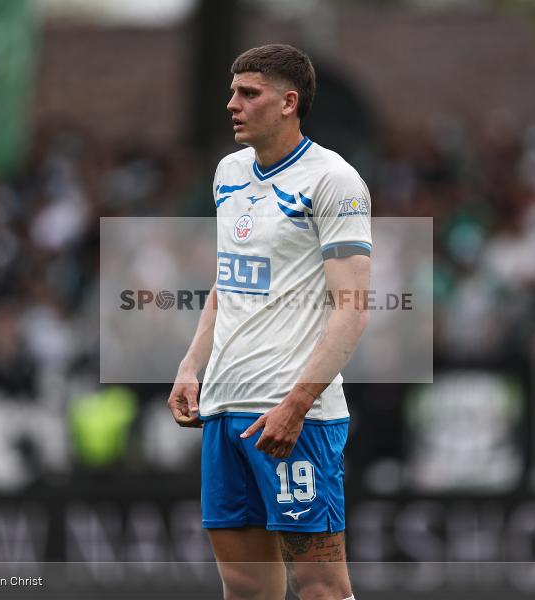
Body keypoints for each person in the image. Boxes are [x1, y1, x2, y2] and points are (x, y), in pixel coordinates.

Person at [168, 44, 371, 600]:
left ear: (288, 102)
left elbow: (353, 306)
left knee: (320, 586)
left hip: (293, 418)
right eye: (232, 92)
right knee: (245, 587)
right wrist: (192, 366)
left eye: (248, 94)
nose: (232, 104)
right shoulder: (228, 173)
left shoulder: (334, 180)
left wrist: (297, 402)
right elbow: (229, 282)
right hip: (225, 411)